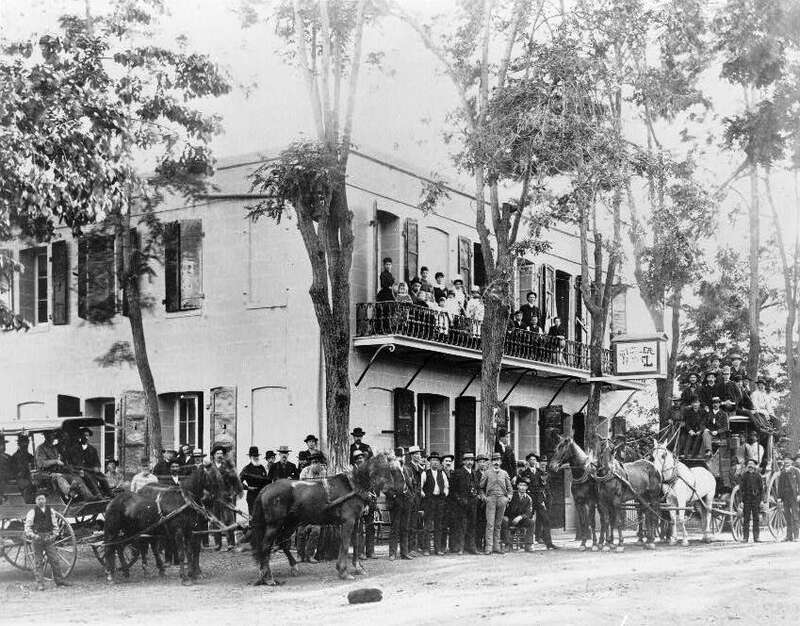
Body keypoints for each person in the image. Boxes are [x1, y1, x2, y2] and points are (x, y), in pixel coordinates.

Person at [25, 489, 70, 590]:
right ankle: (40, 583)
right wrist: (33, 535)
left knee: (54, 559)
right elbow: (27, 527)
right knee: (38, 562)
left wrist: (54, 535)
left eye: (42, 499)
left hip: (48, 538)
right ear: (36, 501)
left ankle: (59, 580)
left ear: (45, 500)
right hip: (37, 539)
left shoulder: (51, 511)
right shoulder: (32, 512)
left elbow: (55, 525)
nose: (41, 501)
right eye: (38, 499)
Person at [35, 431, 92, 501]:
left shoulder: (54, 448)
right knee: (59, 477)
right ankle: (70, 492)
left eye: (53, 435)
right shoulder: (40, 448)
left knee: (75, 477)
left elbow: (62, 462)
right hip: (46, 473)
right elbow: (41, 463)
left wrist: (73, 470)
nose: (51, 437)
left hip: (58, 471)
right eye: (49, 435)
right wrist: (55, 461)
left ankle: (89, 498)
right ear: (45, 436)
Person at [480, 452, 512, 554]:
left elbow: (510, 488)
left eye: (498, 460)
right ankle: (488, 547)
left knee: (498, 524)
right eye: (494, 460)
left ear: (501, 462)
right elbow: (481, 488)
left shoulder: (504, 473)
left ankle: (496, 547)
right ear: (491, 462)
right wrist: (484, 497)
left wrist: (508, 497)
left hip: (502, 500)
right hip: (491, 500)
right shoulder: (487, 473)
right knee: (490, 524)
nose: (496, 462)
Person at [297, 451, 326, 562]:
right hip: (304, 504)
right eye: (313, 462)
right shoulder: (305, 471)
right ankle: (300, 555)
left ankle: (309, 555)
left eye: (318, 462)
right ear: (311, 463)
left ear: (320, 463)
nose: (315, 464)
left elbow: (323, 488)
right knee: (301, 530)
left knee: (316, 530)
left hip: (317, 506)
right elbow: (301, 487)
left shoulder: (323, 472)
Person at [420, 451, 449, 556]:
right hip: (429, 501)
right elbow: (420, 487)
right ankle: (426, 549)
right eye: (433, 460)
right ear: (430, 462)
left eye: (437, 461)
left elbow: (446, 486)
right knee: (427, 526)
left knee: (438, 526)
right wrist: (424, 495)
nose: (435, 463)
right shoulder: (425, 473)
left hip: (439, 501)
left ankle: (438, 549)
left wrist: (444, 493)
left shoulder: (442, 473)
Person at [387, 447, 414, 561]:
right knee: (395, 527)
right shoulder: (391, 470)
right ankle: (392, 553)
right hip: (396, 501)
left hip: (406, 500)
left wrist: (411, 495)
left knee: (405, 527)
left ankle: (404, 552)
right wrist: (393, 496)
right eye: (398, 456)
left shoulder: (407, 469)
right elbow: (385, 486)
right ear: (395, 458)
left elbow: (412, 483)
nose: (401, 458)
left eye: (402, 456)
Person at [450, 452, 479, 555]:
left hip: (472, 503)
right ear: (463, 462)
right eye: (467, 460)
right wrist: (460, 500)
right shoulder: (458, 473)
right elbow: (453, 490)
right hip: (461, 504)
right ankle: (460, 548)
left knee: (472, 525)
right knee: (461, 526)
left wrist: (476, 496)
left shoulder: (475, 473)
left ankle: (471, 547)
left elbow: (477, 488)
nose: (470, 462)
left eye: (471, 460)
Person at [502, 477, 535, 551]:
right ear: (517, 486)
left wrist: (520, 517)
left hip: (521, 520)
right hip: (510, 518)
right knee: (504, 520)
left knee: (531, 522)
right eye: (520, 485)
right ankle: (508, 544)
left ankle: (528, 545)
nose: (522, 487)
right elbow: (506, 508)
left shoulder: (528, 498)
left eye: (524, 486)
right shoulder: (512, 495)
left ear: (527, 487)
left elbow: (528, 513)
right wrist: (508, 516)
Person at [533, 455, 558, 549]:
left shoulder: (548, 473)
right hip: (540, 501)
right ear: (538, 463)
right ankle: (548, 542)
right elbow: (536, 489)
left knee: (545, 520)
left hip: (548, 500)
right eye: (541, 462)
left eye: (545, 462)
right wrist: (541, 501)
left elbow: (549, 487)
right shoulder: (536, 473)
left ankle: (543, 539)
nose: (543, 464)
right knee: (546, 520)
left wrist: (550, 498)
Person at [405, 445, 424, 557]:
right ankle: (409, 548)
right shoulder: (408, 467)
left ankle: (415, 547)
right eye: (416, 454)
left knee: (416, 523)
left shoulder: (420, 468)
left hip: (419, 499)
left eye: (419, 454)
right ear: (411, 456)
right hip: (410, 498)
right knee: (410, 523)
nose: (418, 456)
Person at [239, 446, 269, 515]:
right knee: (253, 517)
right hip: (252, 497)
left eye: (257, 455)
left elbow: (266, 480)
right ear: (250, 457)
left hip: (262, 496)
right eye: (254, 456)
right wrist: (248, 488)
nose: (256, 457)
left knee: (262, 517)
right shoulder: (247, 469)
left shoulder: (261, 468)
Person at [777, 457, 800, 542]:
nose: (786, 463)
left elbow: (799, 483)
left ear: (791, 462)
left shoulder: (796, 471)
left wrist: (799, 495)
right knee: (787, 516)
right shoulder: (782, 473)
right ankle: (789, 536)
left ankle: (796, 536)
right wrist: (779, 497)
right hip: (785, 497)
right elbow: (780, 486)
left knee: (795, 516)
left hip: (794, 497)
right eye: (785, 461)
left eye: (788, 461)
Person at [740, 459, 763, 542]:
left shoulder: (758, 476)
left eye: (752, 464)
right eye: (749, 465)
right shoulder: (744, 476)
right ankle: (745, 537)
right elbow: (741, 489)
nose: (750, 466)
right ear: (747, 467)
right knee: (746, 519)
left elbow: (761, 489)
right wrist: (741, 501)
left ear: (754, 466)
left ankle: (756, 537)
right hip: (747, 499)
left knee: (756, 518)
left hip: (756, 499)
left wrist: (761, 501)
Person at [12, 435, 35, 503]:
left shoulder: (30, 456)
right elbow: (13, 471)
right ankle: (28, 504)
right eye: (23, 443)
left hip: (30, 477)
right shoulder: (15, 457)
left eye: (26, 442)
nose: (25, 445)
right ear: (19, 444)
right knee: (28, 485)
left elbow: (34, 468)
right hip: (19, 479)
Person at [0, 437, 10, 502]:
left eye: (3, 444)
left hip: (7, 480)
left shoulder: (8, 457)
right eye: (1, 444)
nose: (3, 446)